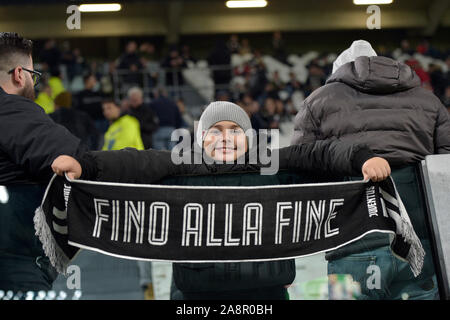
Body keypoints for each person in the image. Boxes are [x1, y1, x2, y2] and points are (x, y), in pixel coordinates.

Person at [52, 101, 391, 300]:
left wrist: (360, 157)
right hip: (196, 294)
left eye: (234, 129)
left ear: (248, 136)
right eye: (216, 130)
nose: (225, 137)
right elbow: (130, 161)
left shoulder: (271, 164)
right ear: (201, 137)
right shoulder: (179, 165)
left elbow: (320, 152)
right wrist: (86, 164)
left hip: (266, 293)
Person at [291, 40, 450, 300]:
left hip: (352, 240)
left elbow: (303, 173)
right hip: (419, 241)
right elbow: (446, 170)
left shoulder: (317, 102)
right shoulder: (429, 102)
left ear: (339, 71)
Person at [0, 32, 86, 294]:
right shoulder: (12, 110)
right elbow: (78, 159)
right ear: (19, 74)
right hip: (15, 266)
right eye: (33, 75)